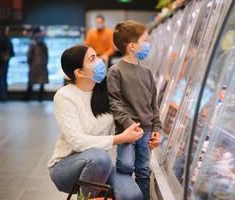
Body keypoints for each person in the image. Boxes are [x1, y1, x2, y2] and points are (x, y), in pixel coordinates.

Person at [48, 44, 160, 200]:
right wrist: (120, 139)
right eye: (92, 59)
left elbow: (129, 114)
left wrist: (153, 131)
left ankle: (94, 193)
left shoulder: (105, 91)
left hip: (100, 167)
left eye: (97, 56)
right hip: (65, 168)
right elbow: (78, 142)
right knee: (100, 157)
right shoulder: (64, 96)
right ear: (79, 72)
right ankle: (86, 198)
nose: (100, 61)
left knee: (132, 194)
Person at [107, 20, 162, 200]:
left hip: (146, 131)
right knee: (125, 166)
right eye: (145, 41)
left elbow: (154, 103)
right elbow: (115, 103)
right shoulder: (115, 71)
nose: (148, 45)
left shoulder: (147, 72)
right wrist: (130, 124)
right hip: (127, 131)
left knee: (144, 170)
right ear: (132, 46)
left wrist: (156, 129)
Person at [25, 29, 49, 101]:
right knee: (42, 82)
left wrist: (29, 63)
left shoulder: (32, 44)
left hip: (34, 65)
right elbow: (47, 55)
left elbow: (29, 56)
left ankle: (27, 97)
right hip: (42, 65)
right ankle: (40, 98)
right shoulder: (44, 44)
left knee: (31, 81)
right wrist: (45, 62)